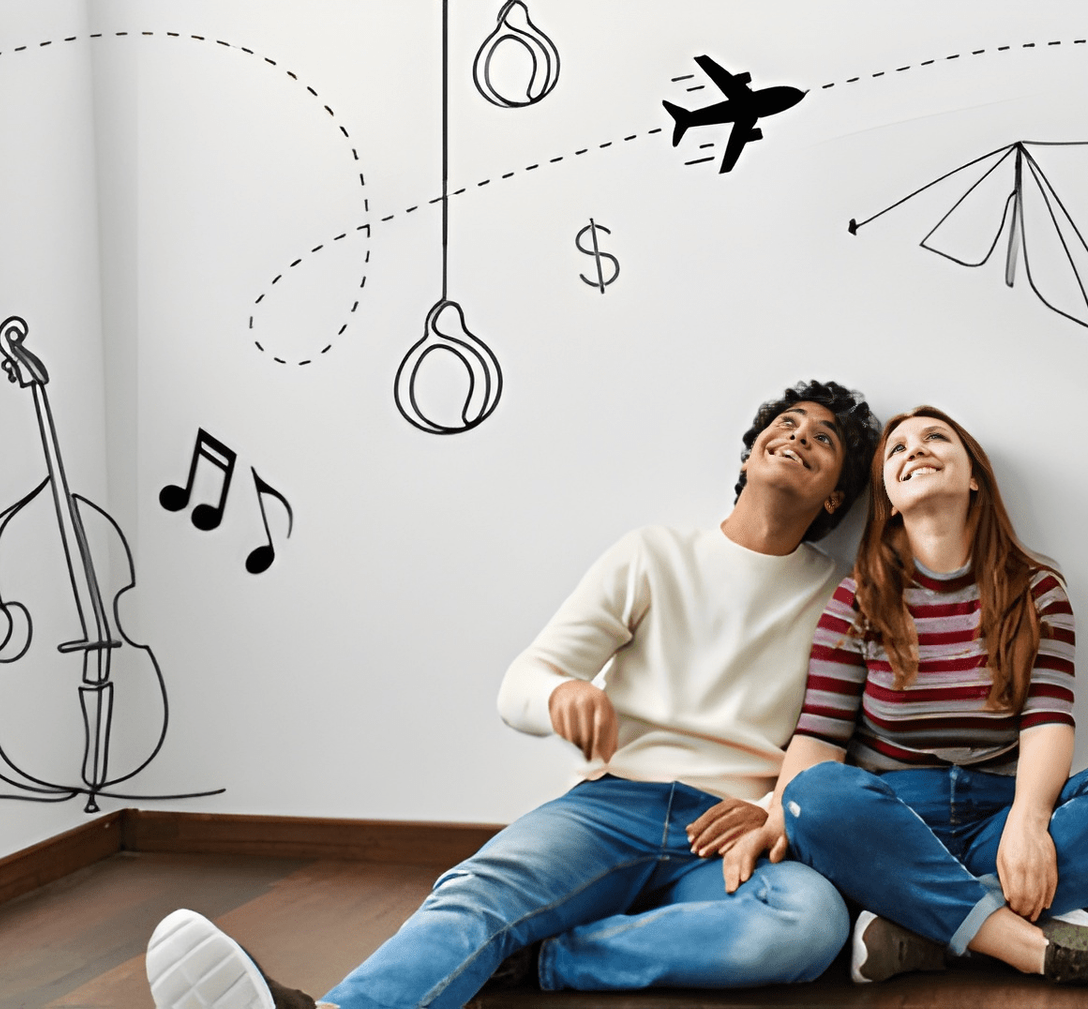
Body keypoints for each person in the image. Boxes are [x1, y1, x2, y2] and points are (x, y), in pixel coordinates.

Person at [144, 381, 882, 1009]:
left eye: (823, 439)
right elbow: (523, 680)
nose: (799, 437)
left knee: (809, 923)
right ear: (751, 453)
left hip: (730, 826)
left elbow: (831, 738)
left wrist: (769, 811)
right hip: (612, 803)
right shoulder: (654, 554)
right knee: (479, 891)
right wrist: (560, 695)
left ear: (836, 493)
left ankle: (541, 958)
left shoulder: (842, 597)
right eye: (786, 425)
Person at [721, 406, 1088, 988]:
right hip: (890, 822)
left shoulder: (1037, 590)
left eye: (935, 438)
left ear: (974, 477)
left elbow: (1047, 720)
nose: (914, 449)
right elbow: (819, 736)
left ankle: (921, 926)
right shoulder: (856, 599)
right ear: (889, 497)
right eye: (897, 450)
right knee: (813, 795)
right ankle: (1023, 946)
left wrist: (1027, 819)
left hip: (1001, 817)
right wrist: (778, 811)